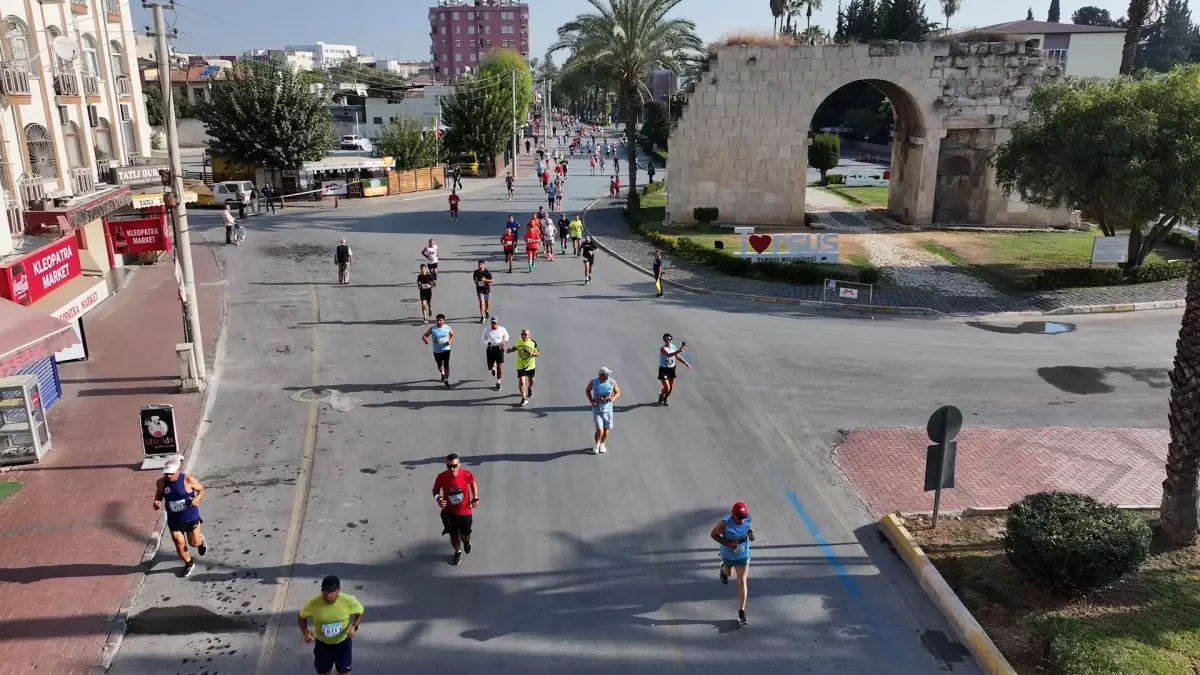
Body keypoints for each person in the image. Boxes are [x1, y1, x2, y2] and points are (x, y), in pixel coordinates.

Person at [153, 455, 207, 577]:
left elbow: (201, 489)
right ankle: (188, 563)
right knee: (178, 542)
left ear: (177, 470)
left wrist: (197, 498)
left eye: (171, 474)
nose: (168, 476)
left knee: (194, 543)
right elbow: (159, 494)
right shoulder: (161, 482)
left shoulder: (188, 480)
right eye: (166, 474)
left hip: (190, 517)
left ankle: (200, 540)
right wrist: (157, 501)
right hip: (174, 520)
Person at [298, 575, 363, 675]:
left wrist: (354, 626)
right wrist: (305, 632)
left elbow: (360, 612)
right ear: (322, 590)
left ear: (339, 590)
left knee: (344, 672)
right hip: (322, 645)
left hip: (342, 644)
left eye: (332, 591)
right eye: (326, 591)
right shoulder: (313, 603)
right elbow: (302, 617)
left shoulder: (348, 601)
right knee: (323, 672)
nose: (329, 595)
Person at [711, 502, 754, 625]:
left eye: (743, 517)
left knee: (742, 580)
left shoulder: (746, 518)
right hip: (728, 554)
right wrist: (728, 544)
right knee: (729, 573)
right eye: (739, 517)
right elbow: (713, 534)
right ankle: (723, 569)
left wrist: (750, 533)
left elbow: (748, 526)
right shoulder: (724, 523)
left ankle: (741, 612)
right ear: (733, 514)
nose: (741, 520)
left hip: (743, 553)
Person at [433, 453, 479, 565]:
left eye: (454, 466)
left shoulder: (466, 474)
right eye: (449, 466)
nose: (452, 469)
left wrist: (475, 498)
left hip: (465, 512)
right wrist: (438, 498)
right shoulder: (441, 477)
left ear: (459, 464)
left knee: (464, 536)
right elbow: (435, 489)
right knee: (453, 535)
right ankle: (458, 552)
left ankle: (466, 543)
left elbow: (473, 484)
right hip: (448, 512)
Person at [585, 367, 620, 454]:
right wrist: (591, 401)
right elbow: (587, 390)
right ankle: (596, 444)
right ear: (601, 375)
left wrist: (612, 398)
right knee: (599, 430)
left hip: (608, 410)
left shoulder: (612, 382)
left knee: (606, 429)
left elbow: (618, 392)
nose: (608, 376)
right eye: (606, 374)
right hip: (597, 409)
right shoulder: (593, 382)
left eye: (608, 374)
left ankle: (602, 444)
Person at [657, 333, 690, 406]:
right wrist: (679, 350)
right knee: (667, 388)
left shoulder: (673, 347)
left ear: (671, 340)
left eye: (669, 339)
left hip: (671, 369)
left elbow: (677, 357)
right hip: (663, 369)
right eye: (666, 339)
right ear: (664, 340)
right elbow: (669, 355)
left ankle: (665, 398)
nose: (668, 341)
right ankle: (661, 396)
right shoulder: (663, 348)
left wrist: (685, 363)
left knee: (671, 389)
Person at [422, 314, 455, 387]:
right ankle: (442, 373)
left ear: (443, 320)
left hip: (446, 349)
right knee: (439, 364)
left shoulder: (447, 328)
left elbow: (452, 334)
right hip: (437, 350)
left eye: (440, 320)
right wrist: (425, 340)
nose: (438, 322)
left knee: (446, 365)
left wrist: (449, 341)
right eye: (437, 320)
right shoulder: (433, 329)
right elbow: (424, 336)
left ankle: (446, 380)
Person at [508, 329, 538, 407]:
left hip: (530, 365)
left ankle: (530, 388)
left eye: (525, 334)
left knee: (531, 381)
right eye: (522, 334)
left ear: (529, 335)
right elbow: (515, 347)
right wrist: (510, 350)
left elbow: (538, 353)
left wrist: (532, 354)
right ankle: (524, 399)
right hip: (520, 365)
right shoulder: (518, 341)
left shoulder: (532, 343)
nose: (523, 336)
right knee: (521, 381)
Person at [481, 317, 509, 391]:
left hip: (499, 349)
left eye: (495, 323)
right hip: (491, 349)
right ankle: (493, 366)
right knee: (489, 368)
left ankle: (498, 382)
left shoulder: (502, 329)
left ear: (497, 323)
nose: (493, 324)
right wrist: (487, 342)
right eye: (492, 323)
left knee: (500, 367)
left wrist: (504, 341)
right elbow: (483, 339)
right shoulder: (487, 330)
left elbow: (507, 336)